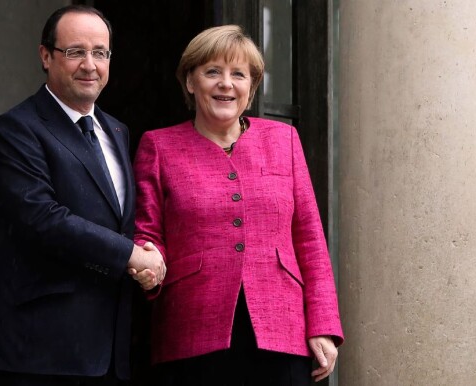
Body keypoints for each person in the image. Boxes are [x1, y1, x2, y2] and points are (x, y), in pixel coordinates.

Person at [130, 25, 344, 385]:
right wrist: (148, 265)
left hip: (282, 329)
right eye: (212, 71)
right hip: (192, 331)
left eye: (238, 74)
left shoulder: (283, 140)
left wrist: (323, 324)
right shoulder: (159, 146)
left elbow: (309, 238)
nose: (225, 84)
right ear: (190, 82)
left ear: (251, 87)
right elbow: (147, 232)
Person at [0, 5, 165, 386]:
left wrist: (151, 252)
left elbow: (123, 220)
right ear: (46, 56)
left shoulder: (118, 131)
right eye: (75, 51)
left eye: (100, 52)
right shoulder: (15, 130)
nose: (90, 64)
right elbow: (43, 219)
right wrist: (130, 255)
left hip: (107, 353)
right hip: (36, 352)